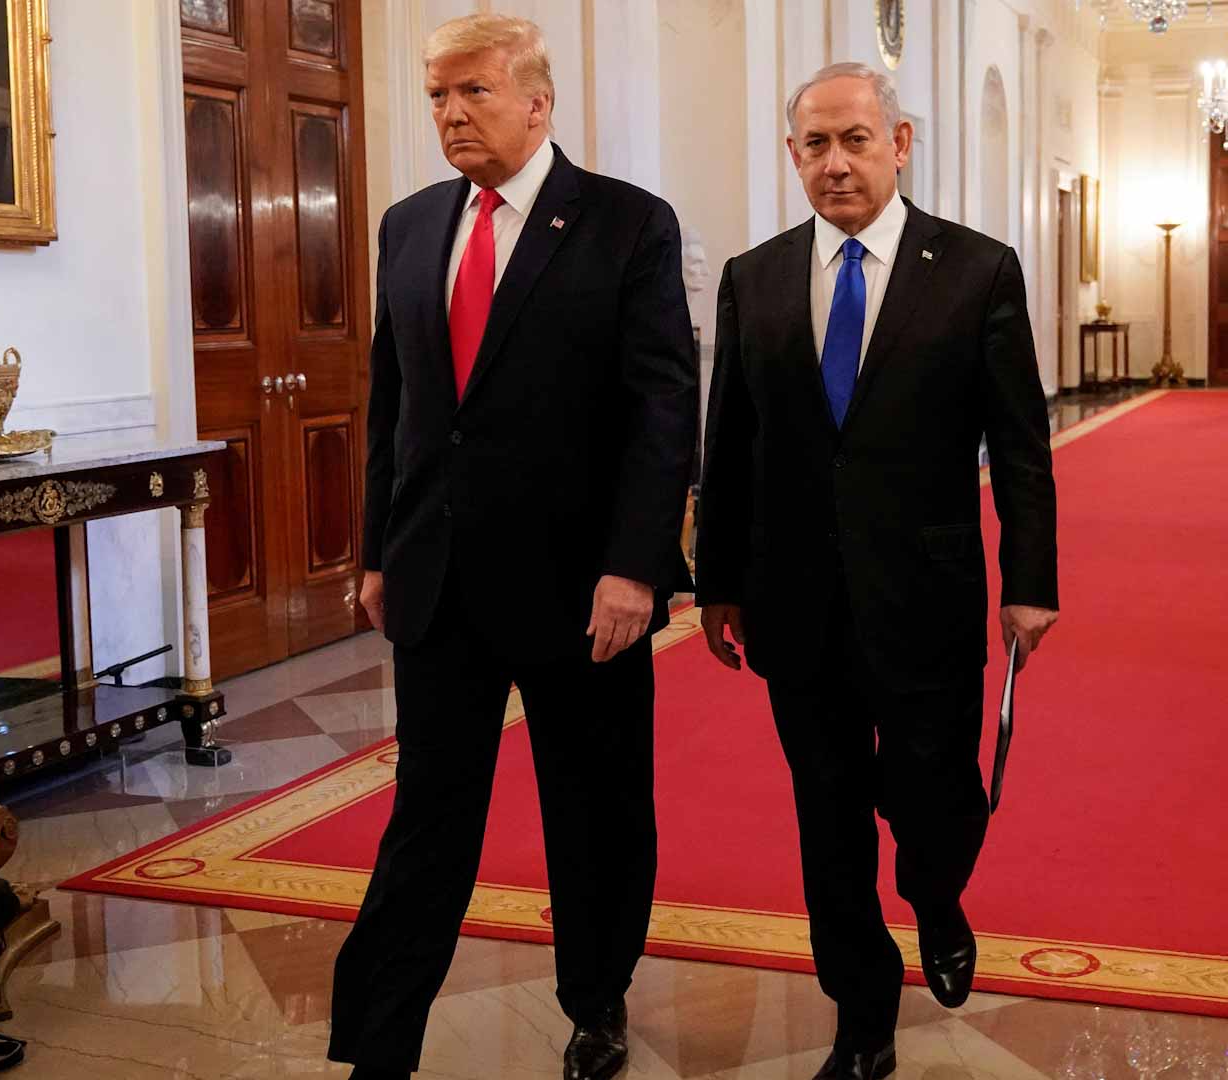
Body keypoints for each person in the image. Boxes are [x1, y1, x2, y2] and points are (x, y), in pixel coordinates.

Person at [329, 14, 698, 1080]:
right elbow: (394, 405)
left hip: (583, 589)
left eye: (473, 92)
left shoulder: (627, 223)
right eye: (437, 96)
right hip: (437, 580)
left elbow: (662, 407)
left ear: (537, 104)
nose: (450, 114)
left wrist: (636, 565)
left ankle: (597, 1001)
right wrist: (376, 552)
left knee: (594, 810)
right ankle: (379, 1042)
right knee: (427, 816)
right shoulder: (409, 225)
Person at [695, 63, 1060, 1080]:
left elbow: (1020, 444)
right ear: (793, 156)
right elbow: (731, 444)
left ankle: (937, 895)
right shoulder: (755, 278)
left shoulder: (977, 271)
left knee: (936, 796)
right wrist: (716, 582)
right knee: (829, 817)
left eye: (855, 139)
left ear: (898, 145)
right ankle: (862, 1018)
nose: (836, 162)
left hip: (926, 598)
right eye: (815, 144)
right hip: (795, 604)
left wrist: (1030, 580)